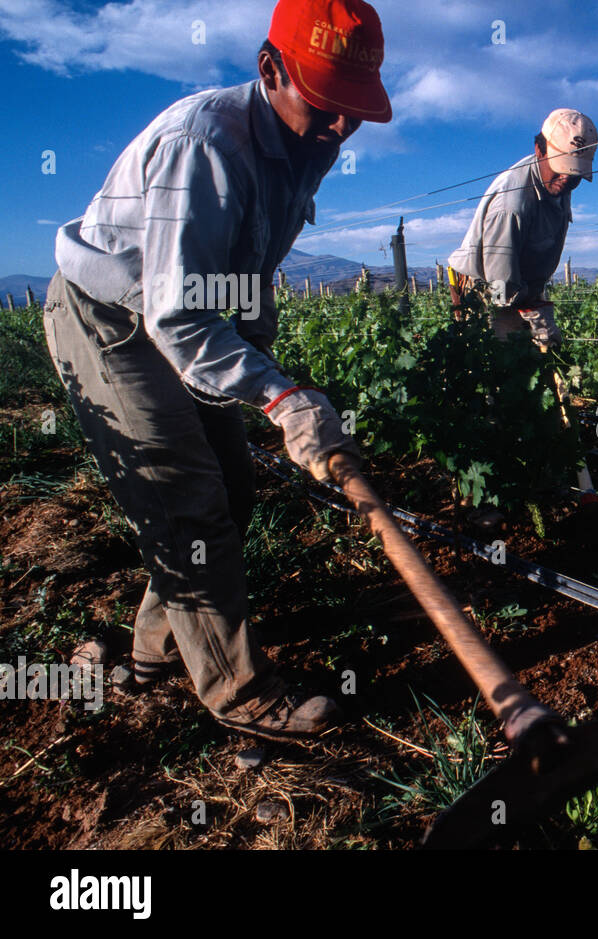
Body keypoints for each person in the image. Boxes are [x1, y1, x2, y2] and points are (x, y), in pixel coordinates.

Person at [42, 0, 391, 742]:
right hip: (111, 317)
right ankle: (241, 694)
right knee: (187, 496)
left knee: (232, 486)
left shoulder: (310, 146)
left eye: (354, 111)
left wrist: (264, 362)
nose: (340, 128)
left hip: (180, 313)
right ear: (270, 71)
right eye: (328, 106)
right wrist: (283, 397)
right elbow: (176, 317)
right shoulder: (203, 147)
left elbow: (245, 271)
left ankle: (152, 654)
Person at [446, 109, 598, 350]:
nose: (566, 179)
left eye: (574, 173)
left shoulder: (558, 182)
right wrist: (531, 312)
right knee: (506, 364)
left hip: (523, 286)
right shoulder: (511, 206)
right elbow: (500, 290)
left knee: (544, 351)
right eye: (560, 168)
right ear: (540, 150)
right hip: (490, 290)